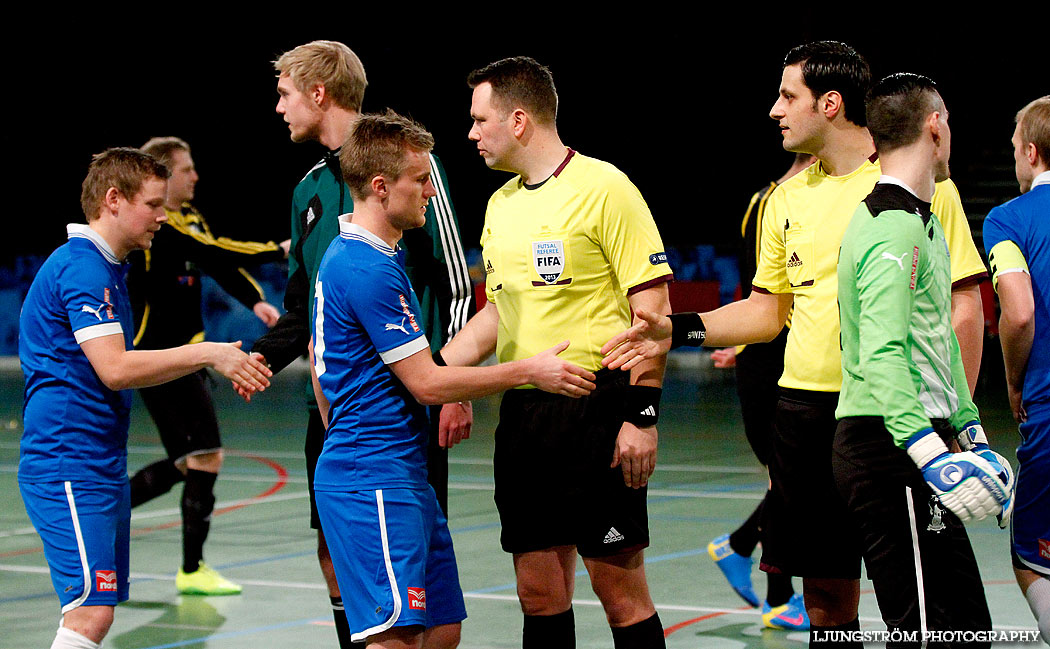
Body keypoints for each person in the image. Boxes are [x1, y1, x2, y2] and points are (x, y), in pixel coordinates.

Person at [601, 42, 987, 646]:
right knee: (827, 602)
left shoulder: (918, 185)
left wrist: (950, 419)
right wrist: (677, 329)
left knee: (918, 601)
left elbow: (965, 305)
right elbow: (765, 313)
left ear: (830, 104)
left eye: (788, 96)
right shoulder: (785, 199)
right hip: (804, 418)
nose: (774, 110)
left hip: (895, 418)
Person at [310, 110, 596, 649]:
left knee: (442, 628)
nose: (429, 192)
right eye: (420, 180)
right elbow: (427, 384)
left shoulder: (376, 258)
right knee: (397, 636)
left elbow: (319, 361)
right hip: (372, 476)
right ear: (379, 187)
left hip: (401, 470)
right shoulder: (364, 267)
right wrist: (530, 371)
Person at [242, 40, 474, 648]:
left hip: (409, 403)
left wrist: (449, 385)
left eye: (285, 94)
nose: (279, 108)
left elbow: (452, 283)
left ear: (319, 94)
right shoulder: (308, 191)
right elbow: (303, 305)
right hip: (338, 407)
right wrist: (257, 357)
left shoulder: (409, 168)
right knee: (334, 543)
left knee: (414, 568)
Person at [442, 56, 673, 649]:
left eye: (479, 119)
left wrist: (640, 417)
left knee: (620, 595)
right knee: (538, 594)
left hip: (598, 408)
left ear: (519, 120)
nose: (470, 133)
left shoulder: (606, 188)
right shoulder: (500, 205)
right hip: (525, 416)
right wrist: (436, 371)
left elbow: (654, 316)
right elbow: (496, 315)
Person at [17, 148, 271, 649]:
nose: (162, 215)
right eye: (153, 204)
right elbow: (115, 369)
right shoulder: (83, 268)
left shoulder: (110, 268)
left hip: (99, 462)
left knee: (97, 612)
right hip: (67, 463)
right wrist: (207, 355)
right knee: (89, 614)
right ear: (113, 200)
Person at [835, 72, 1013, 645]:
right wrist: (929, 452)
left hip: (914, 440)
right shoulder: (891, 230)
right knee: (925, 632)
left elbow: (933, 343)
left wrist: (970, 430)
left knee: (965, 628)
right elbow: (883, 355)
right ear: (935, 126)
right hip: (887, 446)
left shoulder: (921, 223)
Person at [125, 136, 288, 595]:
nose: (196, 176)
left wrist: (256, 300)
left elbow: (215, 262)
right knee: (206, 457)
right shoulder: (159, 228)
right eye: (187, 168)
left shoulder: (190, 219)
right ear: (163, 175)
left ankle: (106, 511)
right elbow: (218, 250)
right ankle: (192, 571)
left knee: (189, 462)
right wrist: (277, 250)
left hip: (189, 354)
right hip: (161, 355)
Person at [707, 152, 814, 631]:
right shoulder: (793, 200)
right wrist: (747, 338)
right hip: (778, 354)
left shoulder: (760, 198)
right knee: (790, 479)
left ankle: (742, 549)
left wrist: (743, 339)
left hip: (767, 350)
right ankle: (776, 594)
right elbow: (772, 290)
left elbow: (758, 292)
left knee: (792, 479)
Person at [983, 95, 1050, 645]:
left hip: (1049, 409)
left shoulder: (1008, 218)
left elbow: (1019, 308)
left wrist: (1011, 380)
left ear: (1031, 153)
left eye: (1013, 151)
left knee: (1030, 555)